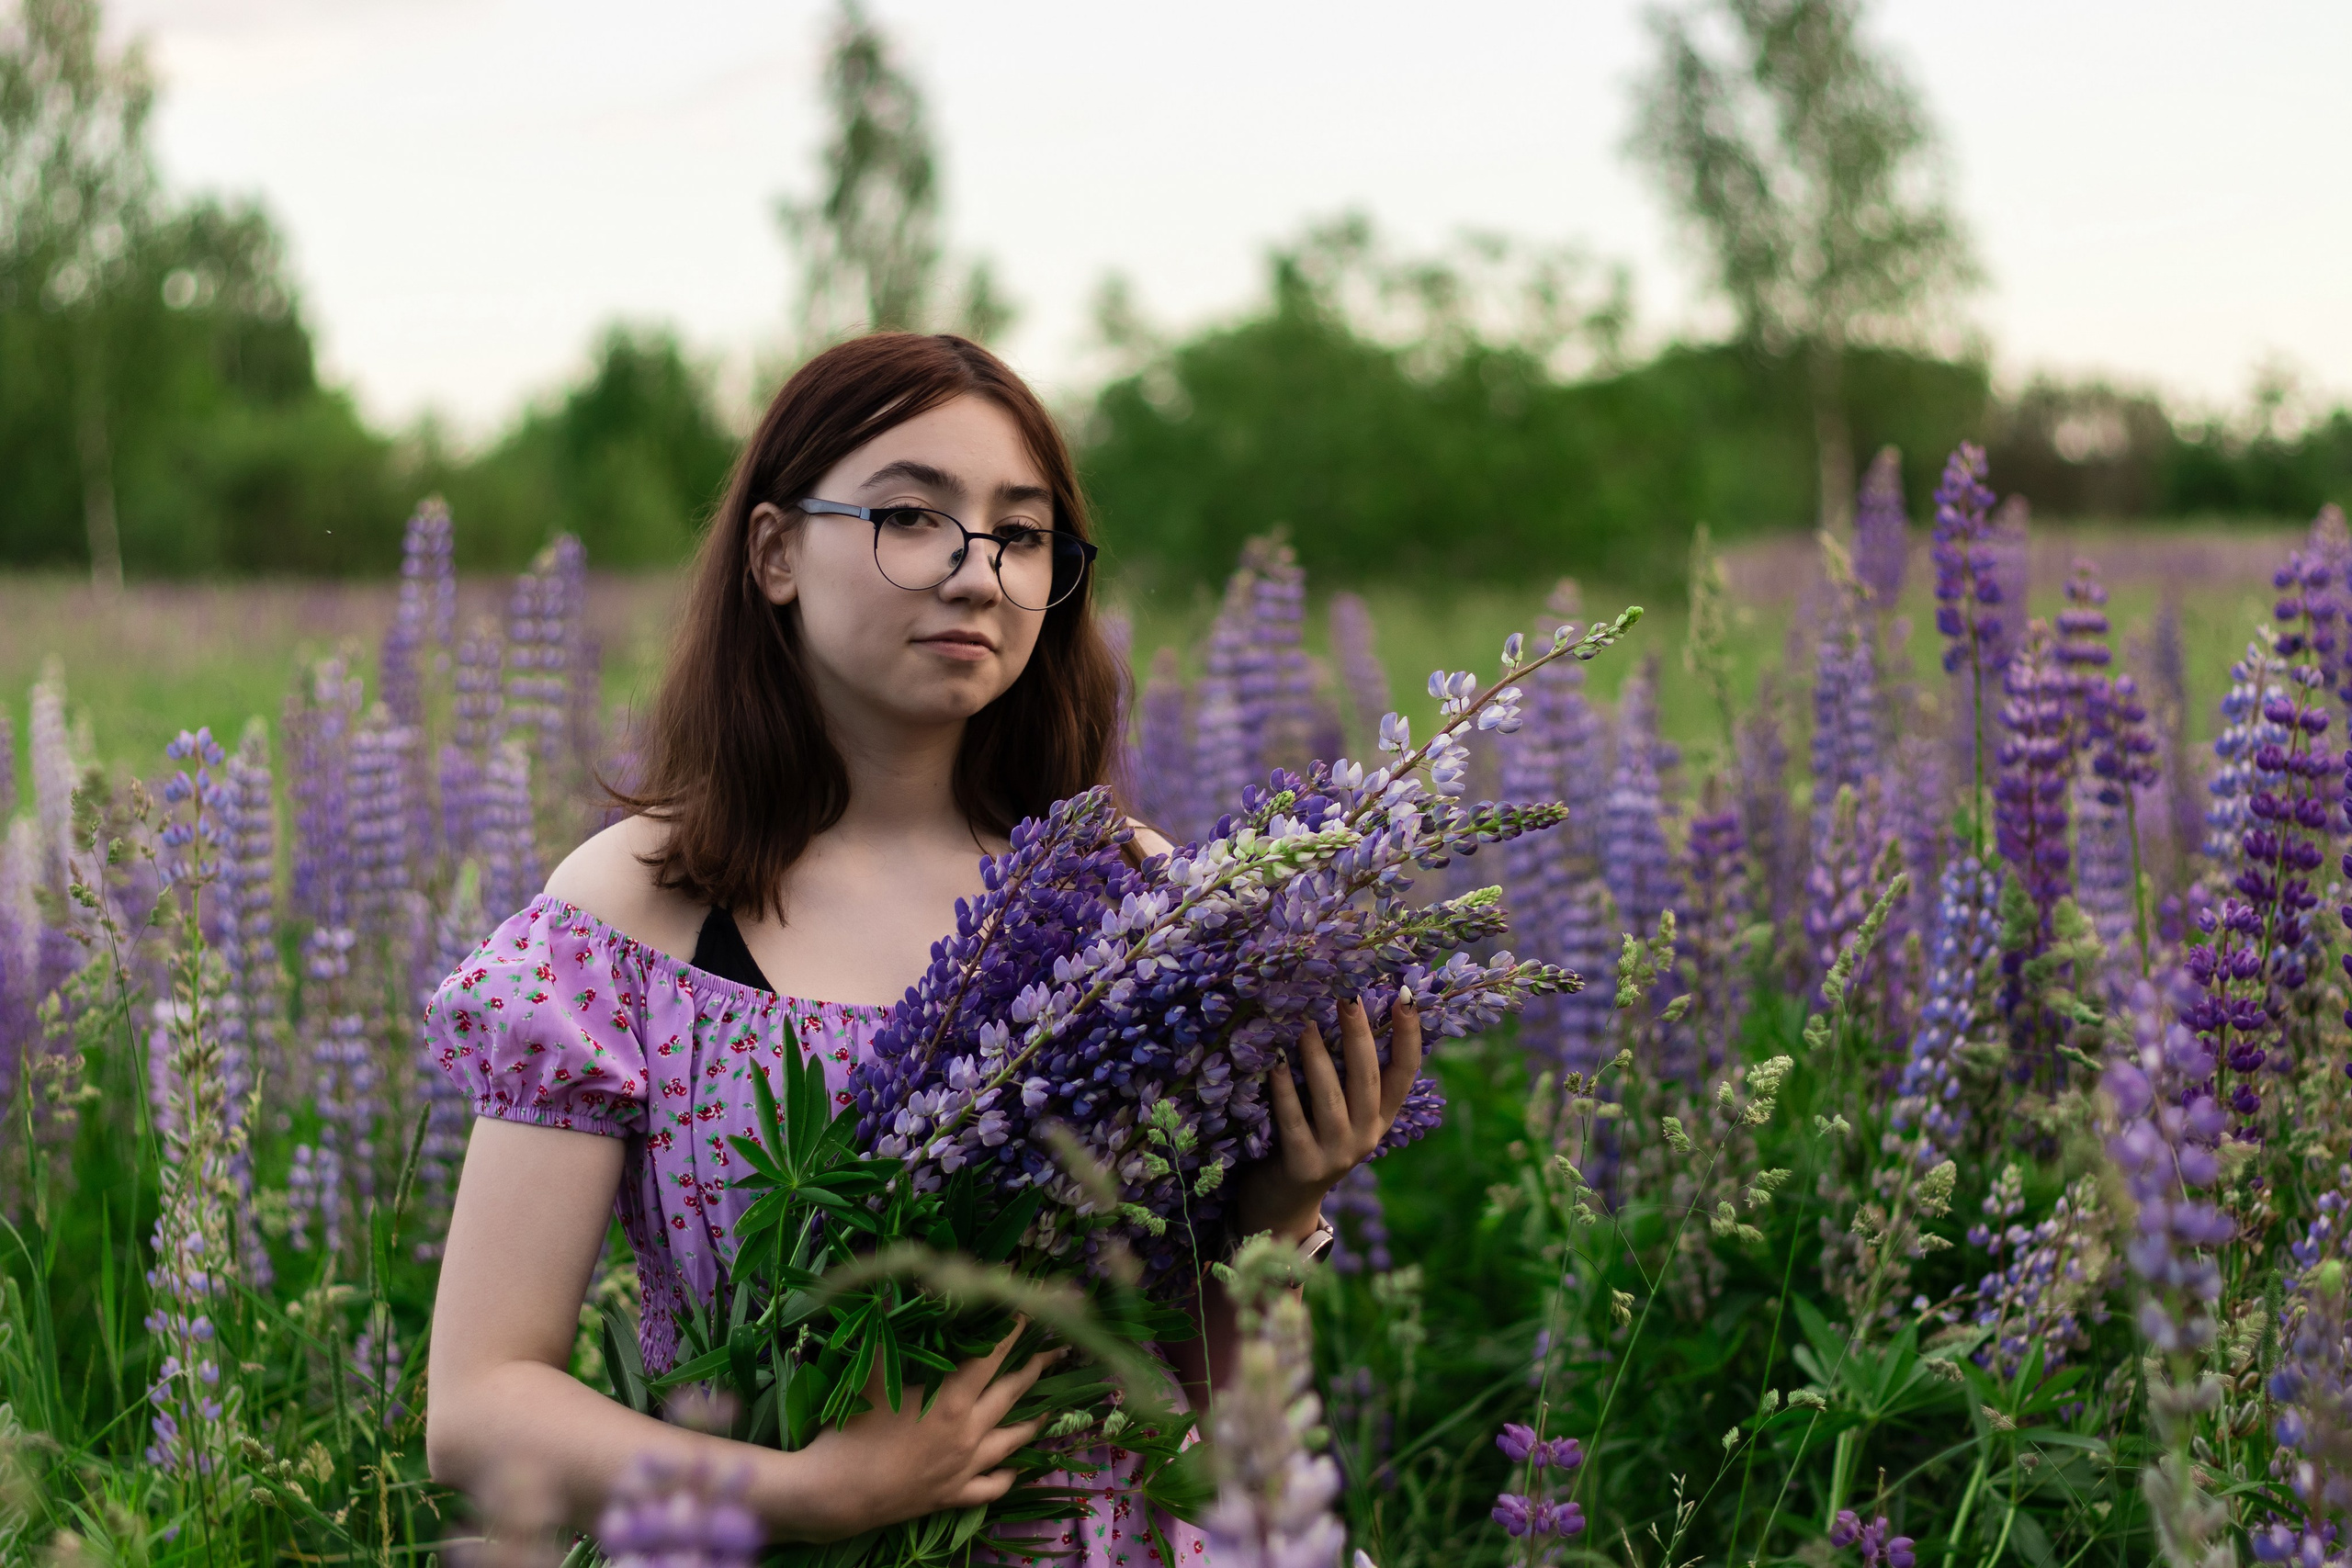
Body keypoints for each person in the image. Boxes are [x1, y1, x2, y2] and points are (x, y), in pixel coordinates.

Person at [423, 333, 1423, 1554]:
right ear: (776, 552)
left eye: (1020, 533)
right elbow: (474, 1411)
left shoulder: (1144, 906)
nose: (977, 575)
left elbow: (1204, 1433)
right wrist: (813, 1496)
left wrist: (1277, 1209)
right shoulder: (645, 910)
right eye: (912, 517)